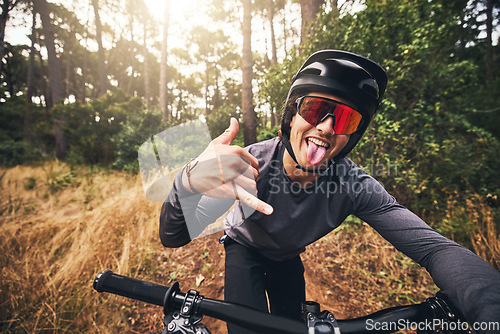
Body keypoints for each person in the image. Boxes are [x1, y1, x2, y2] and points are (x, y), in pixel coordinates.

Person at [159, 50, 500, 333]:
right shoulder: (249, 165)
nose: (325, 126)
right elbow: (172, 236)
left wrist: (490, 303)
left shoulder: (354, 186)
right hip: (243, 247)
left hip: (287, 257)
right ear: (291, 117)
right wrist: (186, 181)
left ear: (352, 137)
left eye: (346, 119)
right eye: (314, 109)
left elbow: (434, 249)